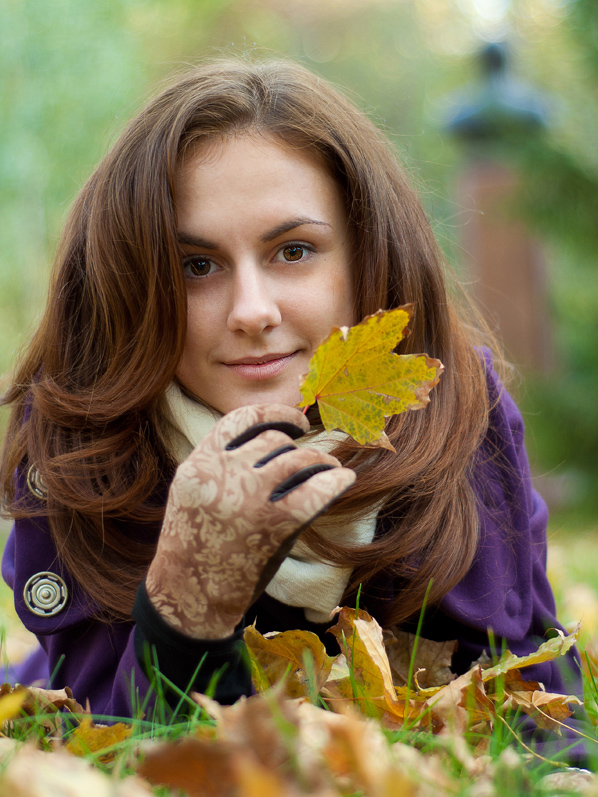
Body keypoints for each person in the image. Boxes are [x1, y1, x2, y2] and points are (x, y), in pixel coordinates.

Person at [0, 59, 579, 737]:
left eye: (294, 250)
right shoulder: (83, 440)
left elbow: (536, 702)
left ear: (369, 255)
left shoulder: (456, 409)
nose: (252, 310)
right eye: (197, 266)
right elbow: (105, 745)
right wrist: (188, 600)